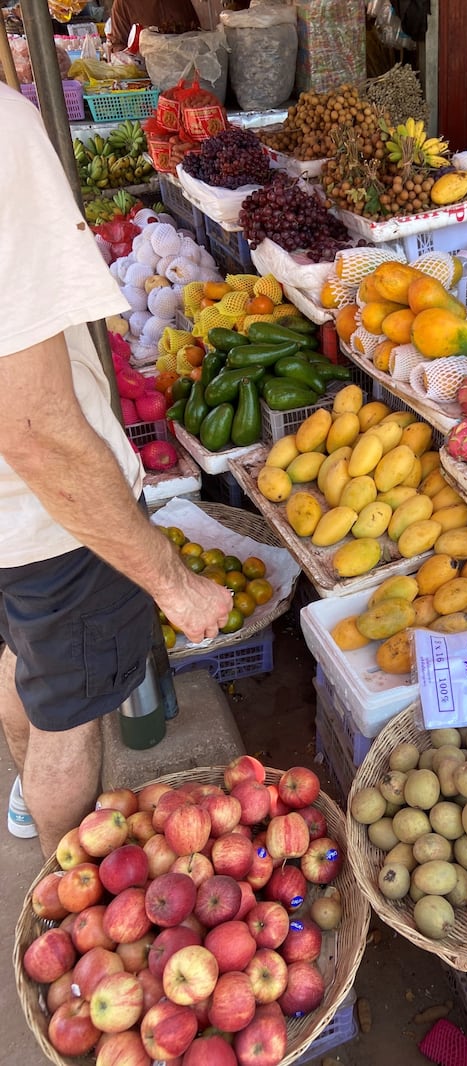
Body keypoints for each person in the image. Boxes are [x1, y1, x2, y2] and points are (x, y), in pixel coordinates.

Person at [0, 82, 233, 858]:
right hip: (44, 519)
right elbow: (33, 429)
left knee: (22, 658)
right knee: (69, 715)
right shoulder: (2, 130)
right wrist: (171, 580)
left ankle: (31, 802)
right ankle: (74, 890)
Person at [107, 0, 199, 53]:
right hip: (147, 77)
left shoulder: (180, 2)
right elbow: (118, 46)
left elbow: (197, 33)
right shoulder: (123, 3)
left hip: (184, 71)